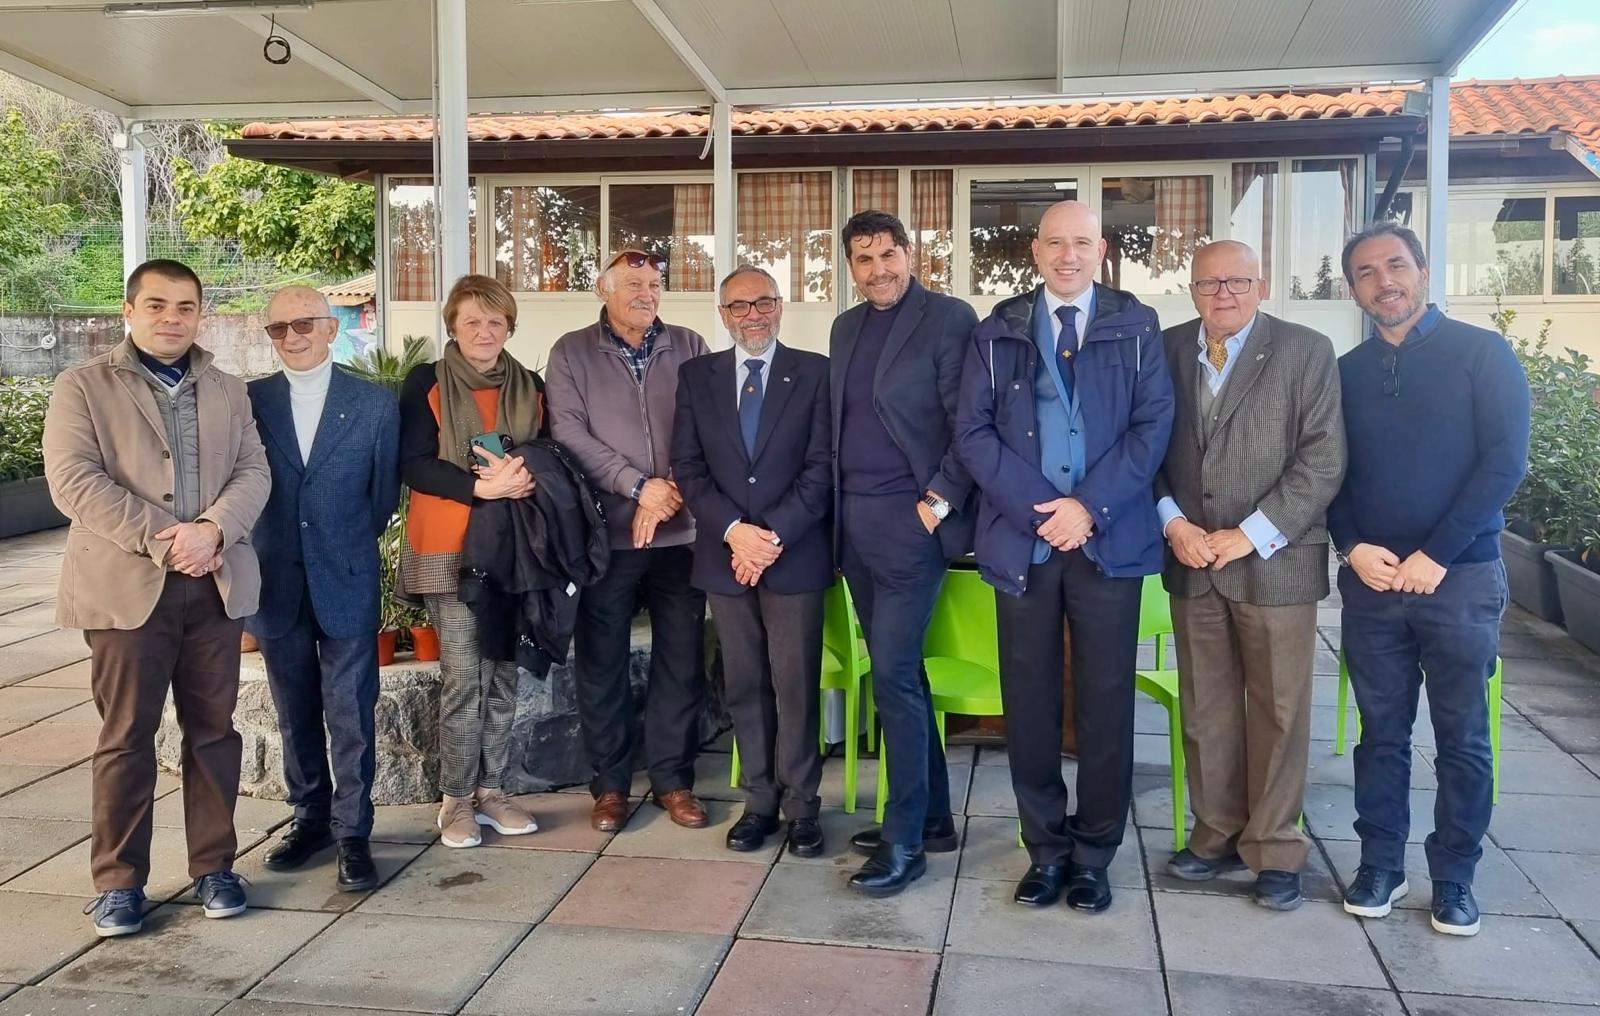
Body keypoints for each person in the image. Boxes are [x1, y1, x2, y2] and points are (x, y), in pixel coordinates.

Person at [957, 200, 1174, 913]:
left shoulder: (1137, 325)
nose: (1069, 255)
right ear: (1035, 250)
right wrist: (1040, 512)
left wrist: (1088, 508)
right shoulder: (998, 329)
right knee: (1030, 700)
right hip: (1025, 541)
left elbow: (1152, 427)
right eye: (1056, 243)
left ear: (1102, 248)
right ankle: (1045, 850)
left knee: (1107, 699)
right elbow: (974, 431)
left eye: (1082, 242)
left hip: (1108, 539)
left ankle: (1095, 852)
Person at [43, 258, 270, 936]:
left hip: (215, 586)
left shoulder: (229, 389)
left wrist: (214, 531)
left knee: (214, 733)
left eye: (185, 307)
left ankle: (215, 867)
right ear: (129, 311)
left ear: (200, 315)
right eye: (157, 305)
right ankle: (118, 883)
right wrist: (167, 539)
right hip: (125, 588)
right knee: (125, 737)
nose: (172, 318)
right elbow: (73, 481)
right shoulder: (82, 386)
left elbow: (255, 469)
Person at [1329, 221, 1529, 937]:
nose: (1384, 280)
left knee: (1463, 737)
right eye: (1365, 271)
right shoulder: (1345, 371)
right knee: (1380, 734)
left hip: (1461, 577)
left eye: (1395, 265)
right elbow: (1333, 473)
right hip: (1373, 584)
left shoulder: (1482, 354)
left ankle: (1455, 876)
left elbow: (1505, 462)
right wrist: (1349, 545)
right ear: (1352, 288)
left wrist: (1437, 554)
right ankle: (1380, 862)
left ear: (1421, 270)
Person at [1154, 241, 1346, 911]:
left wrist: (1249, 534)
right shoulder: (1169, 349)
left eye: (1237, 281)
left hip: (1275, 563)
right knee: (1205, 710)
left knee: (1280, 710)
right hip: (1193, 559)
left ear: (1262, 286)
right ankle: (1214, 834)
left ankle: (1273, 848)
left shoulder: (1305, 351)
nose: (1223, 294)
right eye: (1209, 283)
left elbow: (1323, 461)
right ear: (1192, 289)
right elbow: (1145, 443)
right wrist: (1173, 522)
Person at [829, 210, 979, 897]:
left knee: (891, 675)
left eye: (887, 254)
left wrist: (937, 503)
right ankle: (937, 819)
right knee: (903, 676)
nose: (877, 270)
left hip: (909, 525)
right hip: (853, 525)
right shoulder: (845, 327)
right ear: (850, 266)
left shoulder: (948, 319)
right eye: (863, 259)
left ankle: (904, 837)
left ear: (910, 254)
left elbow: (968, 422)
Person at [546, 249, 712, 833]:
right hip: (606, 536)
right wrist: (639, 488)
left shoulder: (689, 344)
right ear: (603, 289)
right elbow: (567, 431)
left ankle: (674, 781)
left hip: (683, 534)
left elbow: (706, 427)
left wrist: (668, 495)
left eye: (654, 283)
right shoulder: (571, 351)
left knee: (681, 660)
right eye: (633, 283)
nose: (647, 292)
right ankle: (610, 786)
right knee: (602, 661)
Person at [671, 265, 833, 857]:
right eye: (740, 306)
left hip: (794, 555)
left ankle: (803, 806)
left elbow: (823, 468)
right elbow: (687, 467)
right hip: (725, 557)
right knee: (744, 683)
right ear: (723, 315)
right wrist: (738, 533)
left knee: (795, 683)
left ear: (781, 306)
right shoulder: (697, 376)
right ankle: (759, 801)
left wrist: (771, 536)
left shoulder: (816, 372)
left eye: (763, 302)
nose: (753, 314)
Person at [247, 285, 400, 892]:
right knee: (294, 712)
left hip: (347, 576)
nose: (293, 336)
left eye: (304, 323)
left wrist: (342, 541)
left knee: (352, 712)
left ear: (330, 327)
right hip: (275, 579)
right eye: (279, 329)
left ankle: (353, 833)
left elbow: (382, 498)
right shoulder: (249, 401)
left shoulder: (375, 404)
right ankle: (309, 817)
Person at [399, 274, 545, 849]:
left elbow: (548, 457)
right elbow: (413, 463)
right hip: (450, 550)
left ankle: (493, 789)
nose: (484, 332)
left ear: (509, 325)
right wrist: (480, 489)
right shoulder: (425, 382)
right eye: (471, 322)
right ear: (452, 327)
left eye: (495, 321)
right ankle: (456, 798)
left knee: (505, 674)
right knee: (464, 676)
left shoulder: (531, 386)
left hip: (514, 550)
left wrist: (524, 476)